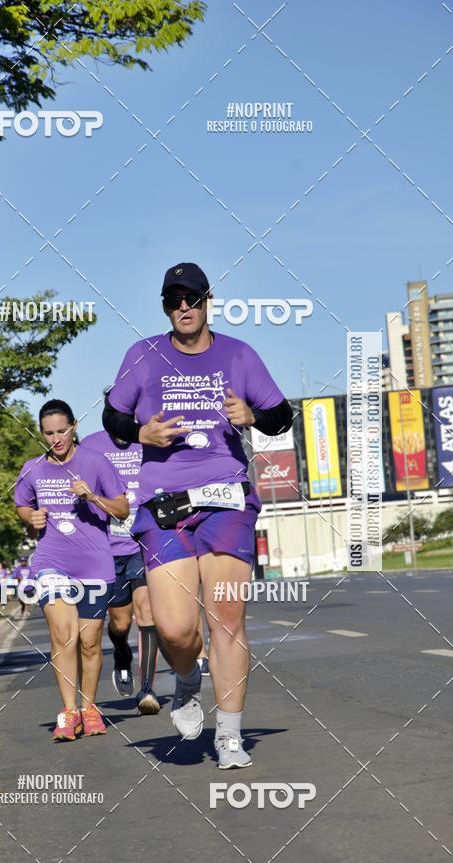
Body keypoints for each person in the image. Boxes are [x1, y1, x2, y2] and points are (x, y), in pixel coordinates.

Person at [103, 262, 292, 769]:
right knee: (174, 629)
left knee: (226, 621)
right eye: (173, 300)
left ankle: (229, 734)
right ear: (166, 306)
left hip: (227, 501)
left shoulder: (239, 355)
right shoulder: (142, 356)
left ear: (208, 301)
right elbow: (111, 415)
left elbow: (282, 415)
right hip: (162, 508)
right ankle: (187, 681)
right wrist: (142, 434)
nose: (183, 308)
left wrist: (253, 416)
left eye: (191, 298)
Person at [14, 399, 129, 742]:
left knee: (90, 641)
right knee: (64, 633)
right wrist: (30, 517)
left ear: (74, 426)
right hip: (52, 561)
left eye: (61, 431)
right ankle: (68, 713)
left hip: (94, 563)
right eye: (48, 433)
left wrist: (92, 497)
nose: (56, 439)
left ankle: (89, 708)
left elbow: (122, 508)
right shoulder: (32, 469)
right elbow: (22, 504)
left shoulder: (96, 462)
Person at [82, 428, 161, 715]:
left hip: (141, 542)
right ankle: (122, 655)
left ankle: (148, 688)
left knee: (147, 613)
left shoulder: (147, 439)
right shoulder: (91, 445)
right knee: (119, 624)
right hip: (107, 549)